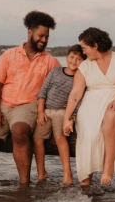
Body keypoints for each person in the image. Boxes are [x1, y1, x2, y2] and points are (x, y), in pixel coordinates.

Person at [0, 10, 61, 185]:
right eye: (40, 35)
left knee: (19, 132)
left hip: (29, 105)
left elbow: (64, 83)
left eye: (47, 37)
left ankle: (24, 186)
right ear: (30, 32)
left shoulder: (51, 62)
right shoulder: (9, 55)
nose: (44, 40)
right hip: (3, 105)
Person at [63, 27, 115, 186]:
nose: (83, 52)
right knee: (89, 135)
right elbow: (75, 94)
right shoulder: (85, 66)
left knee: (112, 113)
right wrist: (67, 119)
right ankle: (85, 182)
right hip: (92, 104)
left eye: (85, 48)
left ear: (95, 45)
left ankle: (108, 167)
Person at [32, 44, 86, 185]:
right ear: (66, 57)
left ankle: (67, 173)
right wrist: (40, 111)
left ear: (84, 62)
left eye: (78, 59)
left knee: (59, 138)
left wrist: (71, 118)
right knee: (37, 139)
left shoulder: (80, 79)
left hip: (63, 113)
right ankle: (41, 172)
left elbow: (78, 101)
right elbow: (43, 92)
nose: (74, 61)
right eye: (72, 57)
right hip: (46, 111)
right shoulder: (55, 71)